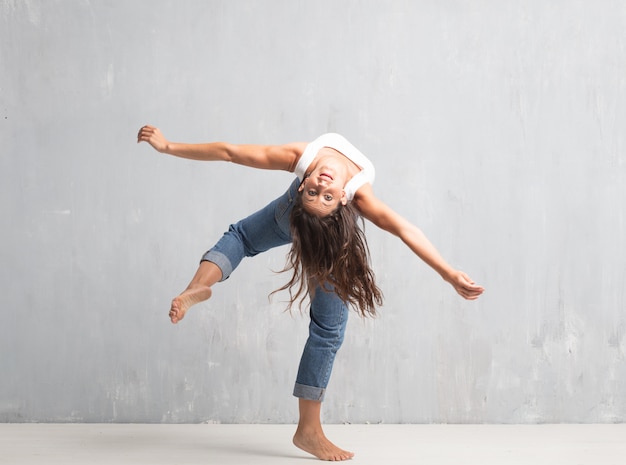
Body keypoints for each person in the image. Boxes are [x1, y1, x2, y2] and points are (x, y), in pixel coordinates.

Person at [137, 125, 484, 461]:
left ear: (341, 197)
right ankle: (199, 288)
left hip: (326, 231)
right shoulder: (337, 182)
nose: (320, 185)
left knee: (247, 243)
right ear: (301, 186)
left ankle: (202, 285)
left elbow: (405, 230)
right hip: (297, 216)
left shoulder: (328, 176)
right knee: (325, 327)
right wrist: (169, 147)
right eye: (317, 191)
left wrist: (447, 273)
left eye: (324, 194)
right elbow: (229, 153)